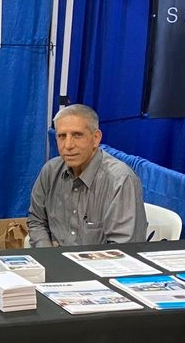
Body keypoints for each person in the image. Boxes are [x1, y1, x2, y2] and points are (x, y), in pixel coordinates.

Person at [27, 104, 147, 247]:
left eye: (77, 135)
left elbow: (124, 248)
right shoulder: (50, 171)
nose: (68, 145)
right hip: (54, 263)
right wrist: (48, 255)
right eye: (62, 136)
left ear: (96, 138)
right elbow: (37, 221)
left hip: (100, 266)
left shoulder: (120, 180)